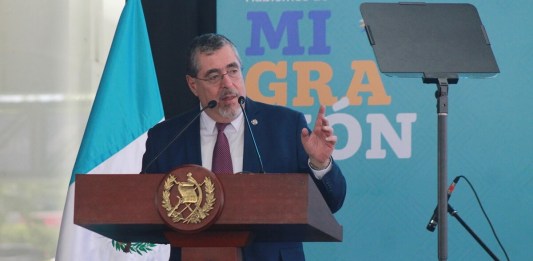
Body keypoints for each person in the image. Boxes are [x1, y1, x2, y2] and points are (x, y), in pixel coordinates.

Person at [142, 33, 347, 261]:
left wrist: (320, 164)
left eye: (233, 70)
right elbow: (144, 207)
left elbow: (331, 203)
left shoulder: (286, 127)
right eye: (213, 76)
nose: (228, 84)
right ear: (192, 84)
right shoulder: (167, 138)